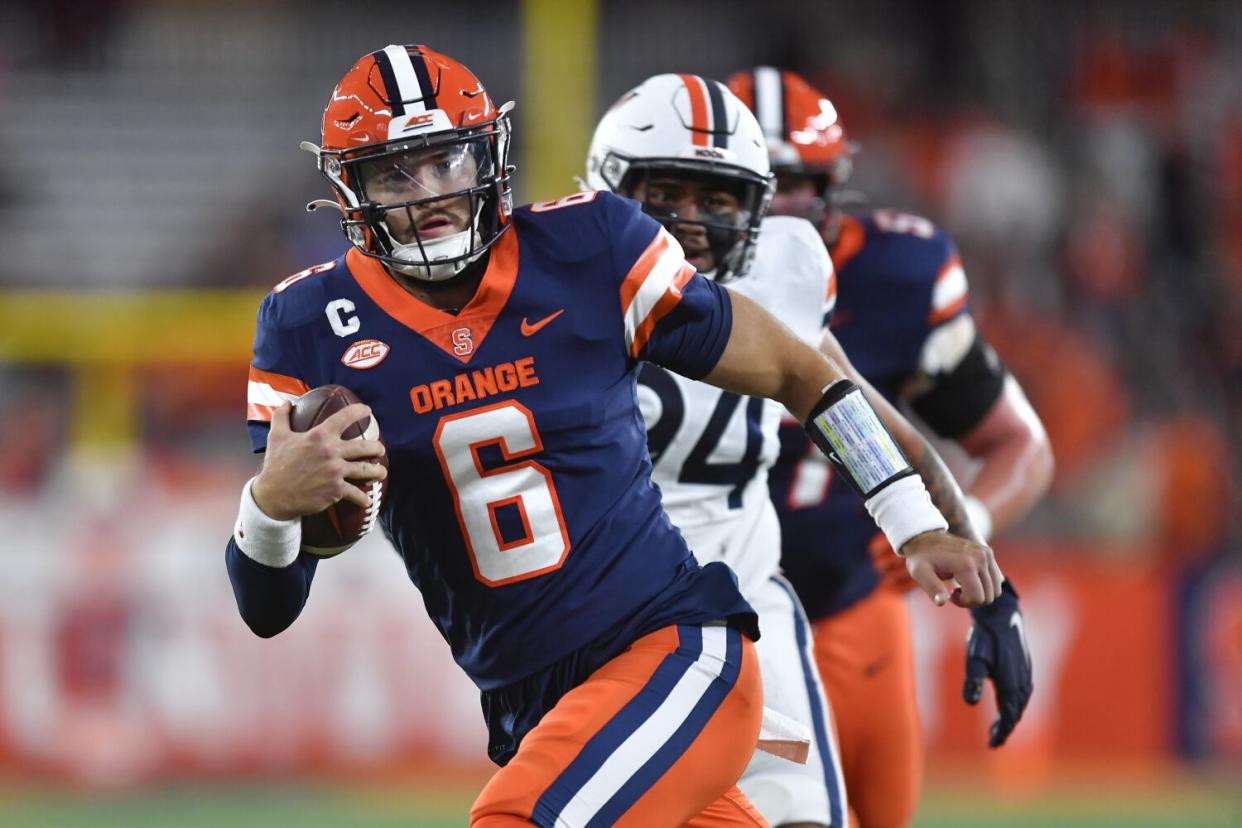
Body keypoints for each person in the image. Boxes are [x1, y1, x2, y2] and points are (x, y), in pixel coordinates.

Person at [225, 45, 1002, 828]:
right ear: (349, 191)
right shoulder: (305, 328)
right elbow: (268, 608)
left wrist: (916, 525)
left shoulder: (589, 247)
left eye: (445, 161)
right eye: (396, 174)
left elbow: (802, 374)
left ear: (486, 157)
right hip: (542, 710)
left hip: (675, 654)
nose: (428, 193)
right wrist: (270, 508)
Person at [728, 67, 1054, 828]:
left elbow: (1018, 445)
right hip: (699, 618)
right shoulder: (644, 278)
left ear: (837, 183)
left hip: (847, 611)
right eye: (751, 183)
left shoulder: (897, 274)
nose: (775, 208)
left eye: (797, 182)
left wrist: (956, 523)